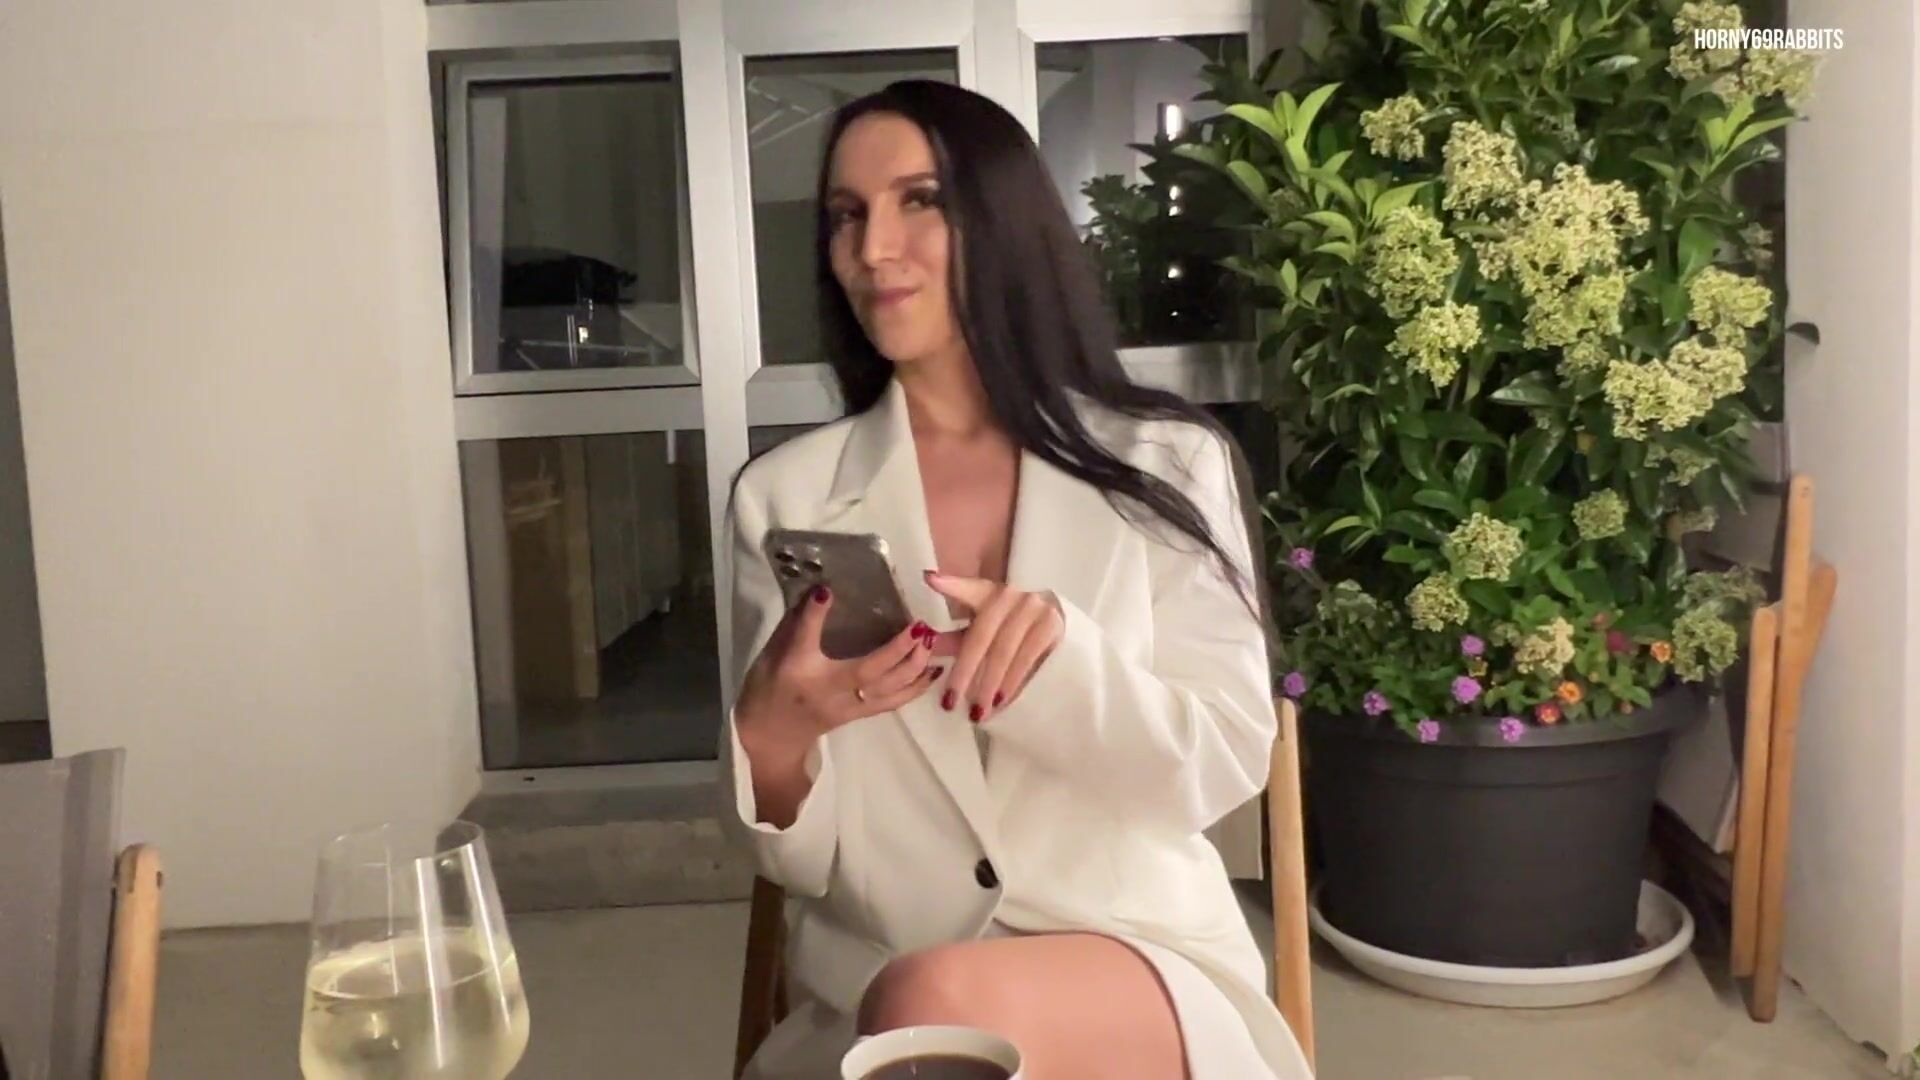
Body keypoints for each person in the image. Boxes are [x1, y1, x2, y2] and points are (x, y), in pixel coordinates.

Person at [721, 80, 1312, 1080]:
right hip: (877, 981)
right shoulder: (784, 497)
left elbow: (1219, 764)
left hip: (1133, 962)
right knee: (922, 1007)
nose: (873, 249)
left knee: (935, 1012)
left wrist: (1063, 670)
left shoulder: (1162, 463)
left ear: (1002, 221)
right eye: (846, 215)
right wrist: (775, 739)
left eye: (920, 200)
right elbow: (801, 863)